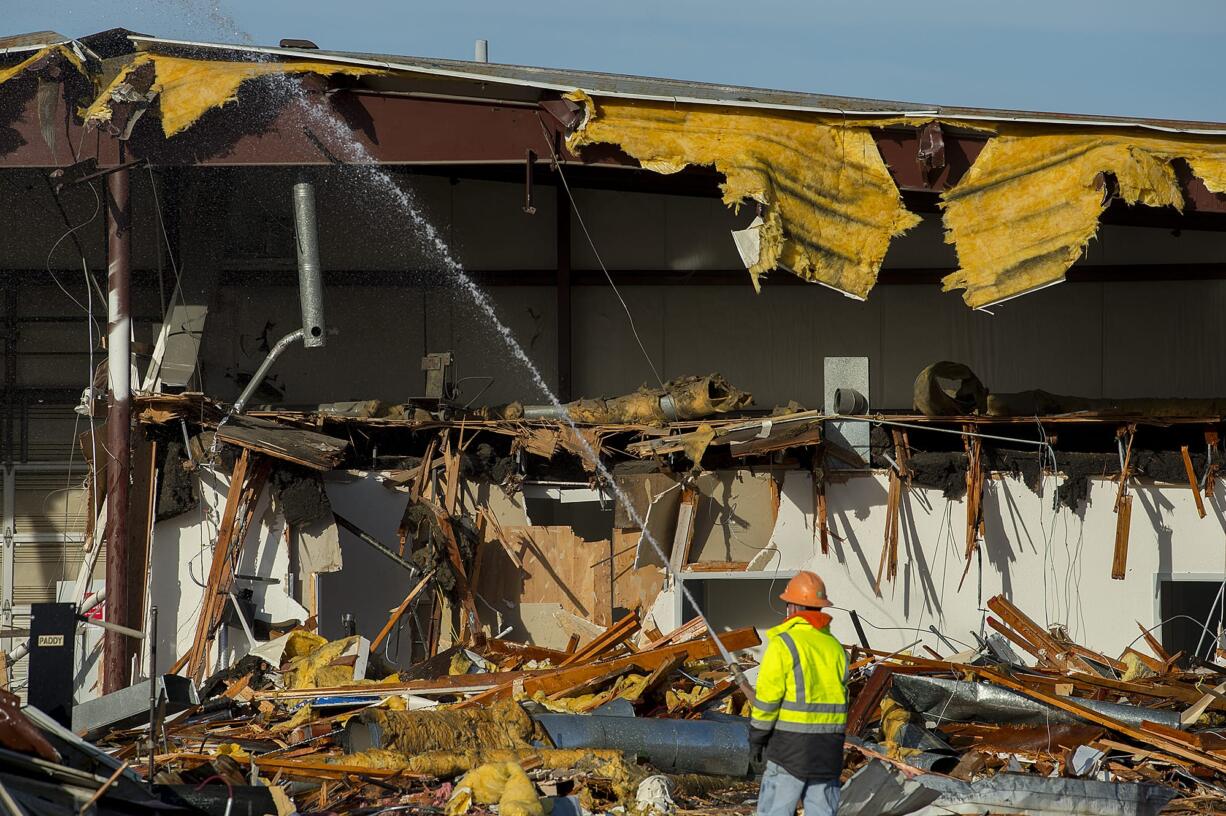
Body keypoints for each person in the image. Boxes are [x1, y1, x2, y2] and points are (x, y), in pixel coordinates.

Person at [749, 571, 848, 816]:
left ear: (792, 607)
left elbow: (768, 700)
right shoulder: (835, 648)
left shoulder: (784, 643)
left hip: (789, 750)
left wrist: (757, 737)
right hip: (828, 750)